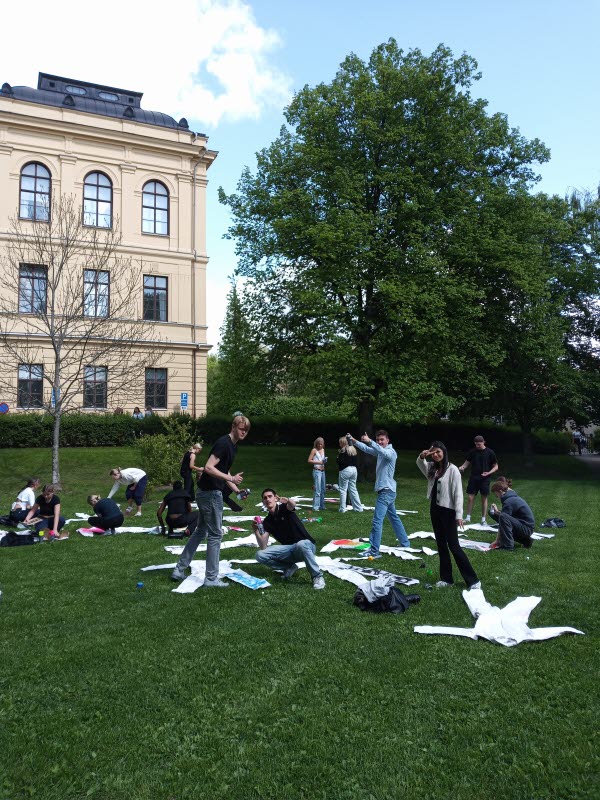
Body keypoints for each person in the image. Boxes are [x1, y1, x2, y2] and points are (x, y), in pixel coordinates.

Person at [170, 414, 250, 587]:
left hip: (207, 493)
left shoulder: (233, 446)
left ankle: (179, 569)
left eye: (246, 430)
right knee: (215, 535)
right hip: (210, 494)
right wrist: (231, 479)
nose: (244, 432)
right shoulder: (224, 443)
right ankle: (211, 579)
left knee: (200, 531)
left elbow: (224, 471)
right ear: (233, 427)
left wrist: (237, 490)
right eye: (241, 428)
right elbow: (208, 467)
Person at [417, 442, 480, 589]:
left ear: (444, 452)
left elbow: (458, 494)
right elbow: (421, 464)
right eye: (433, 453)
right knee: (441, 545)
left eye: (438, 452)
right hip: (435, 510)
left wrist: (459, 515)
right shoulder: (432, 468)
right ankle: (446, 579)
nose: (436, 455)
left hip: (448, 511)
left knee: (454, 546)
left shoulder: (453, 470)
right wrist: (422, 456)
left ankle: (473, 581)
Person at [347, 430, 410, 557]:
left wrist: (370, 441)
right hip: (388, 491)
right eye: (378, 440)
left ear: (388, 440)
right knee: (394, 518)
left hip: (386, 492)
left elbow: (382, 452)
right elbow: (367, 449)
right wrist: (354, 441)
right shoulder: (381, 451)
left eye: (382, 440)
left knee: (377, 521)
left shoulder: (390, 452)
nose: (380, 442)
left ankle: (374, 551)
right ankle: (405, 543)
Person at [253, 489, 325, 589]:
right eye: (265, 498)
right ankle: (289, 567)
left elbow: (292, 505)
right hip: (289, 550)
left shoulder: (284, 508)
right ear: (263, 502)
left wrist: (287, 500)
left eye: (270, 496)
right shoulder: (267, 521)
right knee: (260, 555)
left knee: (301, 544)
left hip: (307, 546)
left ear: (275, 498)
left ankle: (317, 576)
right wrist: (256, 530)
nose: (268, 499)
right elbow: (263, 546)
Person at [458, 435, 498, 524]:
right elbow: (466, 463)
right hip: (473, 478)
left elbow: (496, 466)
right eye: (476, 444)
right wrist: (462, 467)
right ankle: (468, 518)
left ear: (484, 442)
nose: (477, 446)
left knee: (484, 498)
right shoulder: (472, 452)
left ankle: (483, 520)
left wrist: (489, 473)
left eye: (479, 444)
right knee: (470, 497)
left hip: (485, 479)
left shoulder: (490, 452)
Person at [488, 477, 535, 550]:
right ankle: (526, 540)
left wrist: (497, 541)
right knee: (496, 514)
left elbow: (503, 520)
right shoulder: (511, 497)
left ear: (500, 491)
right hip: (526, 527)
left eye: (496, 494)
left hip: (526, 528)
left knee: (503, 516)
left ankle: (508, 546)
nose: (496, 497)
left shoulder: (509, 501)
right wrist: (497, 512)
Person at [336, 437, 363, 513]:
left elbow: (340, 461)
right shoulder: (353, 450)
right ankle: (358, 508)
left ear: (343, 443)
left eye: (340, 443)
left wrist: (337, 458)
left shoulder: (343, 451)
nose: (339, 444)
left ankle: (342, 508)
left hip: (345, 470)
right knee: (353, 489)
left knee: (343, 490)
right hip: (354, 470)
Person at [307, 437, 326, 511]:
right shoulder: (314, 450)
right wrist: (319, 462)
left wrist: (324, 462)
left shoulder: (323, 450)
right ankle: (315, 507)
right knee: (317, 489)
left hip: (323, 471)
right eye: (319, 444)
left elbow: (322, 460)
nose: (320, 446)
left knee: (323, 489)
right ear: (316, 444)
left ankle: (322, 506)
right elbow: (309, 460)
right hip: (317, 471)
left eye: (321, 444)